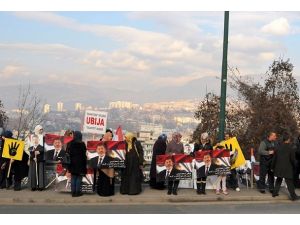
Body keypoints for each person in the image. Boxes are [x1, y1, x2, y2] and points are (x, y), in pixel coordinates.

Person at [271, 132, 299, 201]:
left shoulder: (278, 147)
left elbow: (274, 158)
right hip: (287, 168)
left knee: (279, 180)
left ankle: (274, 193)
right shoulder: (291, 148)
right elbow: (292, 159)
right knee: (289, 182)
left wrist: (272, 167)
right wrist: (296, 165)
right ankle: (293, 196)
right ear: (288, 139)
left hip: (279, 168)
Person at [67, 131, 87, 197]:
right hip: (80, 163)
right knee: (78, 177)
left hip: (72, 163)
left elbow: (68, 153)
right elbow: (84, 153)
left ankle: (73, 193)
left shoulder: (70, 143)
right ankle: (77, 192)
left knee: (73, 177)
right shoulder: (82, 144)